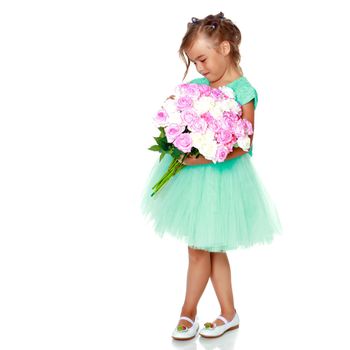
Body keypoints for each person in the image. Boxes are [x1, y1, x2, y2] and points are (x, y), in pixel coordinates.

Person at [140, 12, 283, 340]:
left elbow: (244, 145)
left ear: (225, 48)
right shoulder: (196, 88)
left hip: (222, 179)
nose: (200, 68)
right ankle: (228, 314)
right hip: (194, 181)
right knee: (208, 247)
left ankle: (187, 313)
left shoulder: (244, 92)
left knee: (201, 247)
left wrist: (203, 158)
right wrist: (181, 142)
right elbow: (181, 123)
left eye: (203, 59)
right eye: (194, 62)